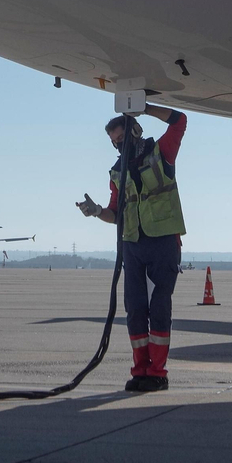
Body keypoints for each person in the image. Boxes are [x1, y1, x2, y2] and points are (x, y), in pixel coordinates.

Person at [77, 104, 187, 393]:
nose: (118, 145)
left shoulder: (161, 153)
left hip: (162, 241)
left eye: (122, 138)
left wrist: (144, 108)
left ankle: (157, 373)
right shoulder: (116, 173)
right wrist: (96, 210)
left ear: (135, 131)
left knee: (159, 309)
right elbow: (115, 213)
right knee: (135, 311)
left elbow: (179, 121)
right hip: (132, 245)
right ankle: (140, 370)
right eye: (114, 142)